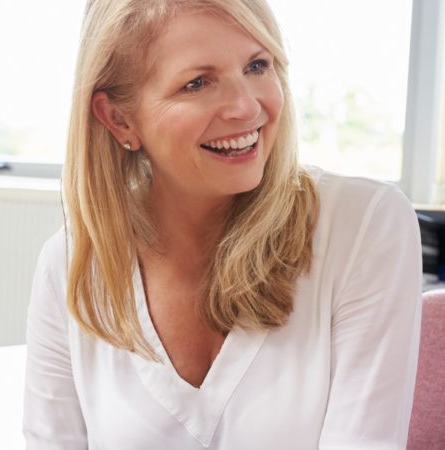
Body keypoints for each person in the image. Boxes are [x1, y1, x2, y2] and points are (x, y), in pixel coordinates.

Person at [23, 0, 422, 448]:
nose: (246, 107)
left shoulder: (364, 225)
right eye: (197, 83)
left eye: (257, 65)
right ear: (118, 118)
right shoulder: (72, 264)